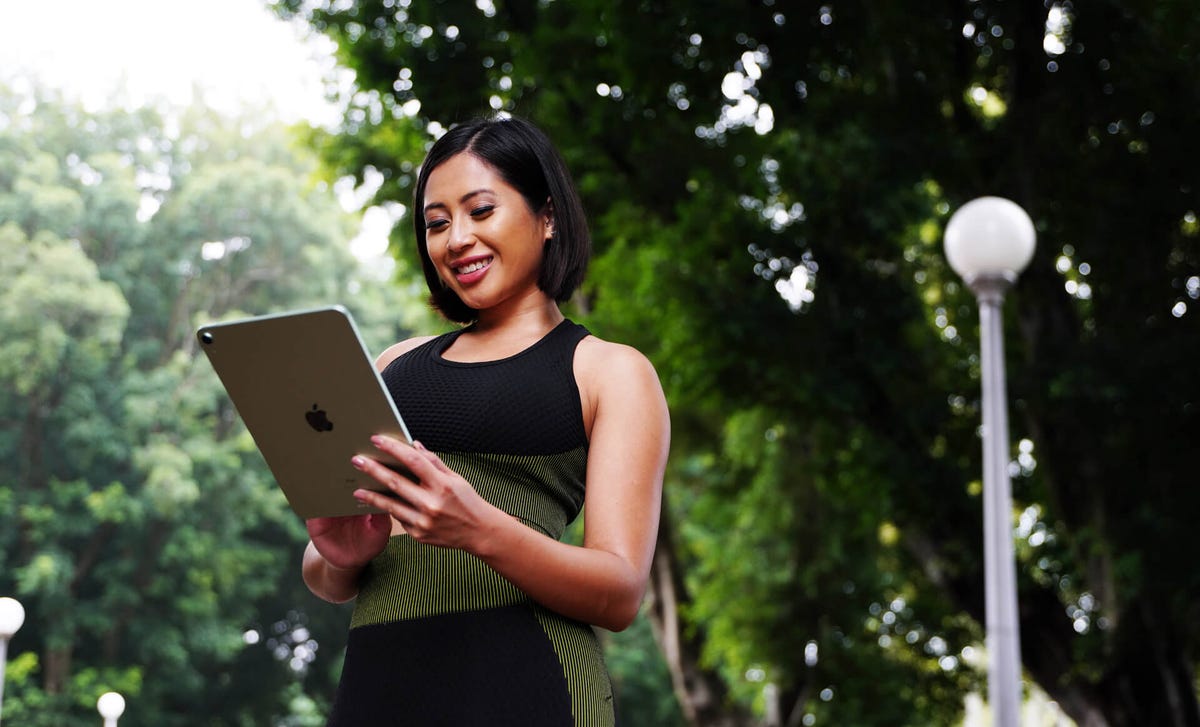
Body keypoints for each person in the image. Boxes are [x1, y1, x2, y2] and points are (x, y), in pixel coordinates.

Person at [301, 114, 671, 726]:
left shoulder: (610, 371)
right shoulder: (392, 365)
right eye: (437, 223)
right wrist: (341, 553)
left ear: (547, 215)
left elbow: (620, 591)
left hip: (528, 682)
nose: (456, 240)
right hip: (381, 683)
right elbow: (326, 578)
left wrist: (477, 527)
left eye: (481, 210)